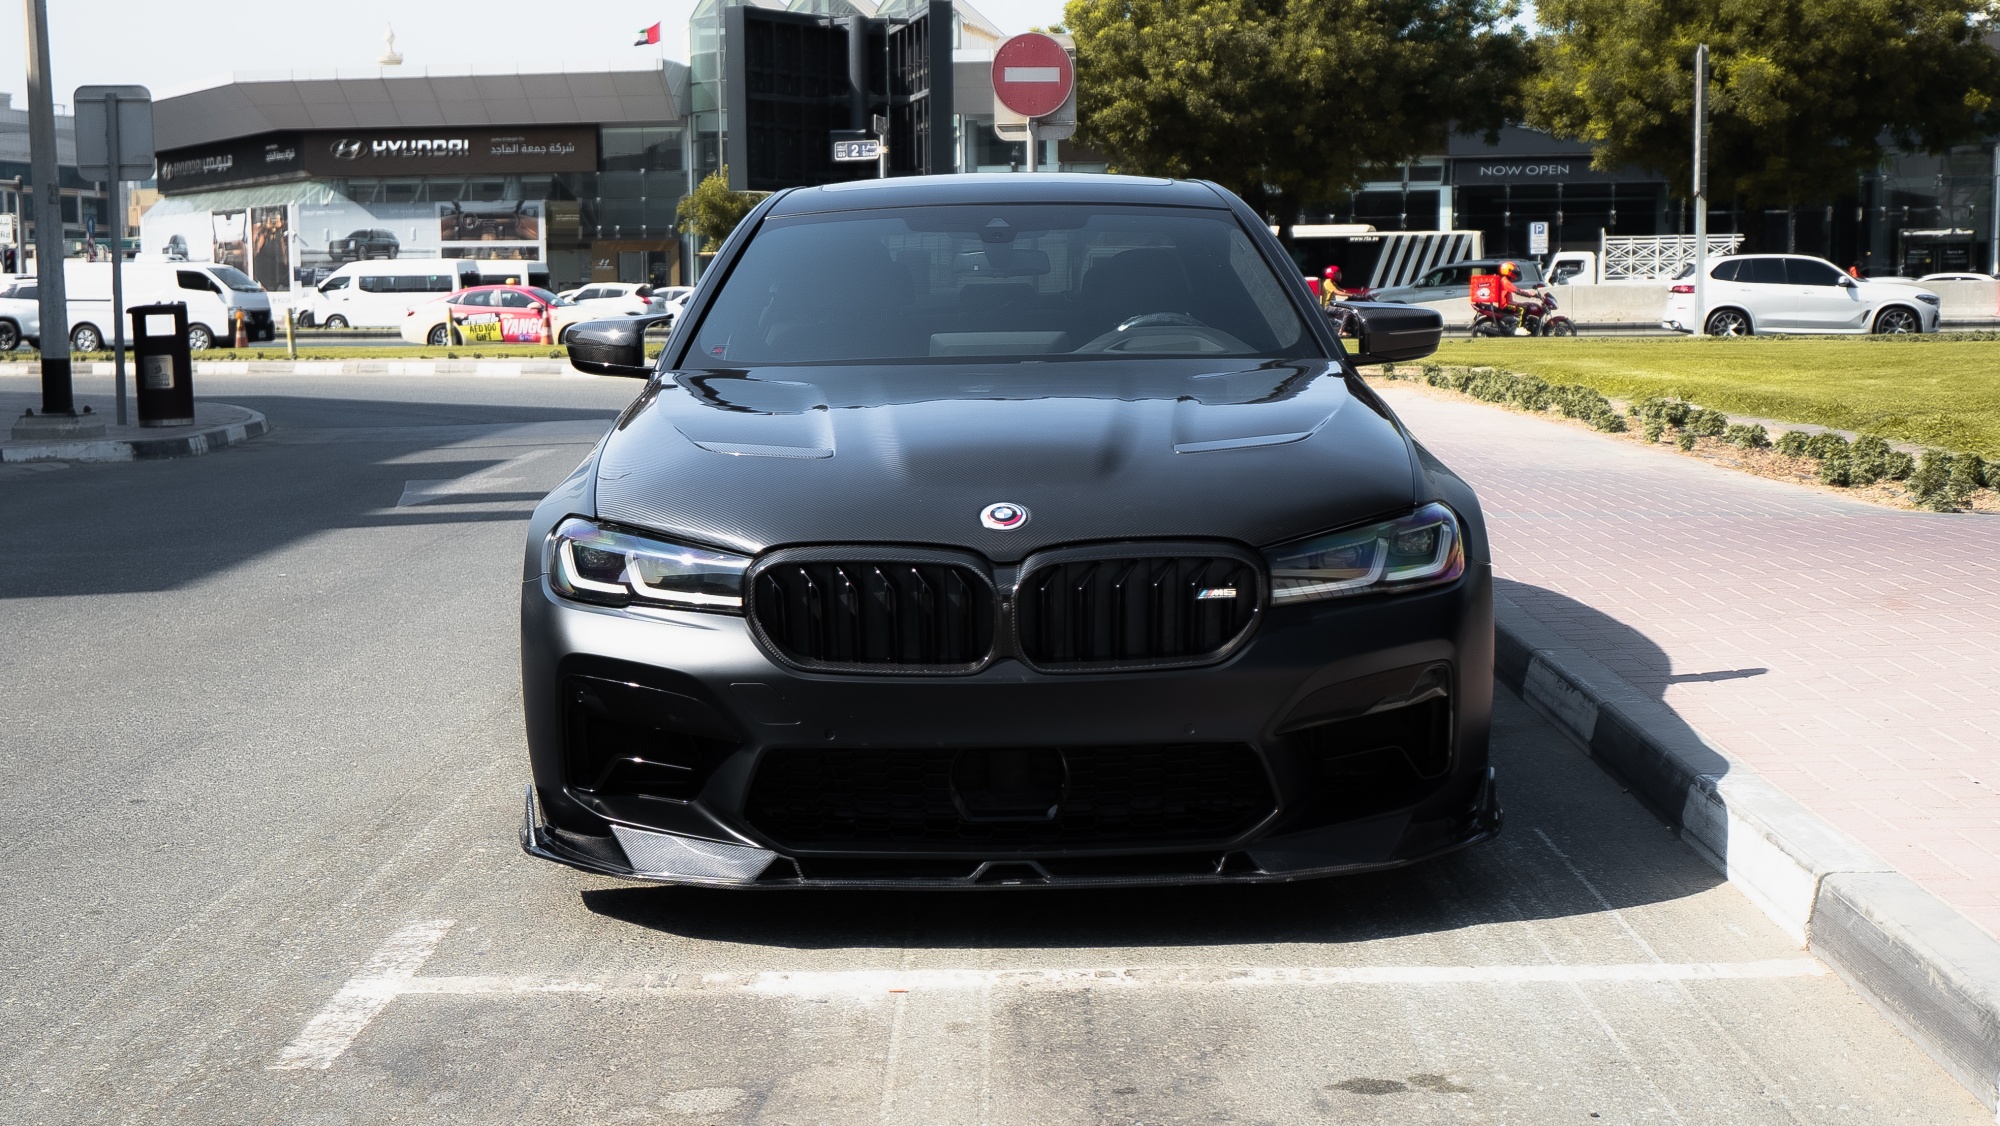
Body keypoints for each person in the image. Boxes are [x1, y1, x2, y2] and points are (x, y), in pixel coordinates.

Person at [1494, 261, 1545, 336]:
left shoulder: (1505, 280)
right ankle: (1517, 329)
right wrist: (1533, 295)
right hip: (1505, 305)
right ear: (1507, 271)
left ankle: (1525, 324)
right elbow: (1518, 291)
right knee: (1522, 309)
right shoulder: (1504, 282)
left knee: (1527, 305)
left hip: (1509, 303)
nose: (1515, 273)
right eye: (1513, 271)